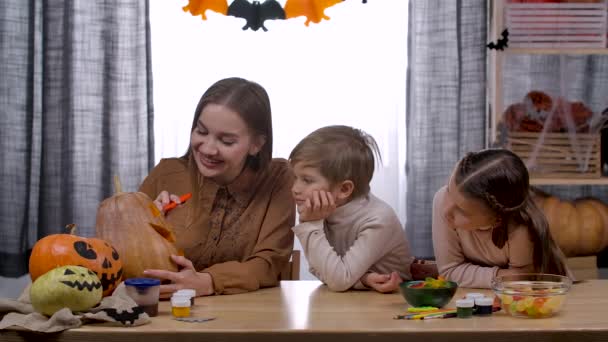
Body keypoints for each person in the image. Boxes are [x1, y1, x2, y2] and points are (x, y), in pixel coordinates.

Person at [139, 77, 295, 296]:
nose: (208, 149)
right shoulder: (166, 174)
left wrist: (209, 281)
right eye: (201, 132)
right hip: (168, 313)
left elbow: (269, 263)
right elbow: (125, 256)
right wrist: (145, 224)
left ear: (257, 144)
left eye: (226, 141)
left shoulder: (278, 179)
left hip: (245, 316)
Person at [289, 125, 414, 293]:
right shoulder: (322, 212)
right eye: (294, 177)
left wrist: (310, 225)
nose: (295, 188)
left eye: (307, 180)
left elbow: (338, 281)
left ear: (344, 189)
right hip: (357, 302)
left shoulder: (379, 219)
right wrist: (364, 279)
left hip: (391, 305)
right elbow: (321, 271)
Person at [432, 148, 569, 288]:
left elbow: (519, 279)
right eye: (449, 190)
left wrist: (463, 272)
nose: (445, 210)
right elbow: (449, 271)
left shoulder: (520, 228)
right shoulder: (442, 200)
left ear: (497, 219)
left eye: (462, 211)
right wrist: (504, 275)